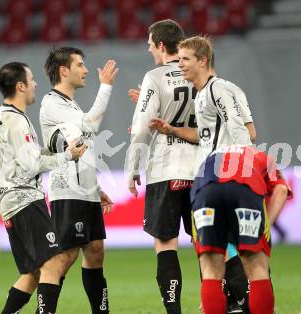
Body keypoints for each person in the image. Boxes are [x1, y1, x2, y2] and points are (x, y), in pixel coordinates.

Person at [149, 36, 255, 314]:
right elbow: (216, 134)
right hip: (211, 175)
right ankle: (236, 303)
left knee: (220, 246)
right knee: (226, 243)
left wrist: (240, 171)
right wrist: (171, 129)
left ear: (203, 60)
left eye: (185, 59)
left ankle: (239, 303)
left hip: (224, 176)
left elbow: (243, 134)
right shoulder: (207, 92)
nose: (179, 63)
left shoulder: (218, 89)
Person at [0, 62, 86, 314]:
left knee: (32, 272)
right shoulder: (17, 122)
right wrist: (68, 156)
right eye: (31, 80)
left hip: (8, 200)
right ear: (20, 86)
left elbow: (23, 155)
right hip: (24, 199)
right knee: (54, 262)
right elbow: (32, 164)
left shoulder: (1, 115)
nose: (35, 84)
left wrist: (57, 151)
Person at [125, 19, 199, 314]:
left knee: (166, 244)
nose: (149, 50)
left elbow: (142, 129)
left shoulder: (155, 77)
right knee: (209, 245)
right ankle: (230, 302)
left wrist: (132, 169)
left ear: (161, 45)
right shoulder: (198, 74)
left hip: (166, 170)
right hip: (200, 170)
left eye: (150, 45)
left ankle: (174, 311)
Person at [39, 47, 118, 314]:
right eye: (80, 65)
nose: (86, 71)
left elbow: (82, 148)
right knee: (66, 255)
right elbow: (89, 126)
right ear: (64, 70)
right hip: (67, 190)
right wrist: (105, 87)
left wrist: (95, 189)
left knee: (95, 250)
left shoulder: (70, 105)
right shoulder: (52, 103)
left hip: (84, 191)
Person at [191, 145, 292, 314]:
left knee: (211, 271)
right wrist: (264, 226)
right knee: (257, 267)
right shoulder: (261, 156)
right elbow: (281, 190)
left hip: (205, 193)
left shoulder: (211, 156)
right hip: (245, 191)